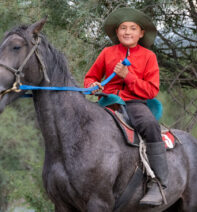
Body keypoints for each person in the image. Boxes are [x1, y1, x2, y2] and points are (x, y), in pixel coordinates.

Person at [83, 7, 168, 206]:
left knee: (149, 125)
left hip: (134, 103)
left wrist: (127, 76)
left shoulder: (149, 57)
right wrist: (92, 86)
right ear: (117, 32)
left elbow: (151, 90)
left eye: (132, 28)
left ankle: (160, 183)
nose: (127, 32)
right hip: (107, 101)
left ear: (141, 33)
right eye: (123, 28)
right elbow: (91, 77)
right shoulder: (107, 53)